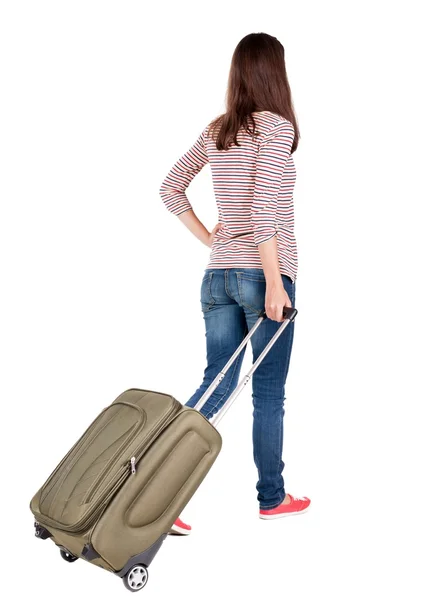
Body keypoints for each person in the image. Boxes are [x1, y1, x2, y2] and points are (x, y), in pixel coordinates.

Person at [159, 32, 310, 535]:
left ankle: (161, 497)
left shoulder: (219, 129)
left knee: (215, 384)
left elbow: (170, 187)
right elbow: (266, 212)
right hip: (263, 275)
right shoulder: (276, 127)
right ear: (275, 72)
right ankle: (272, 497)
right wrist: (273, 282)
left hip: (218, 277)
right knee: (267, 393)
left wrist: (210, 240)